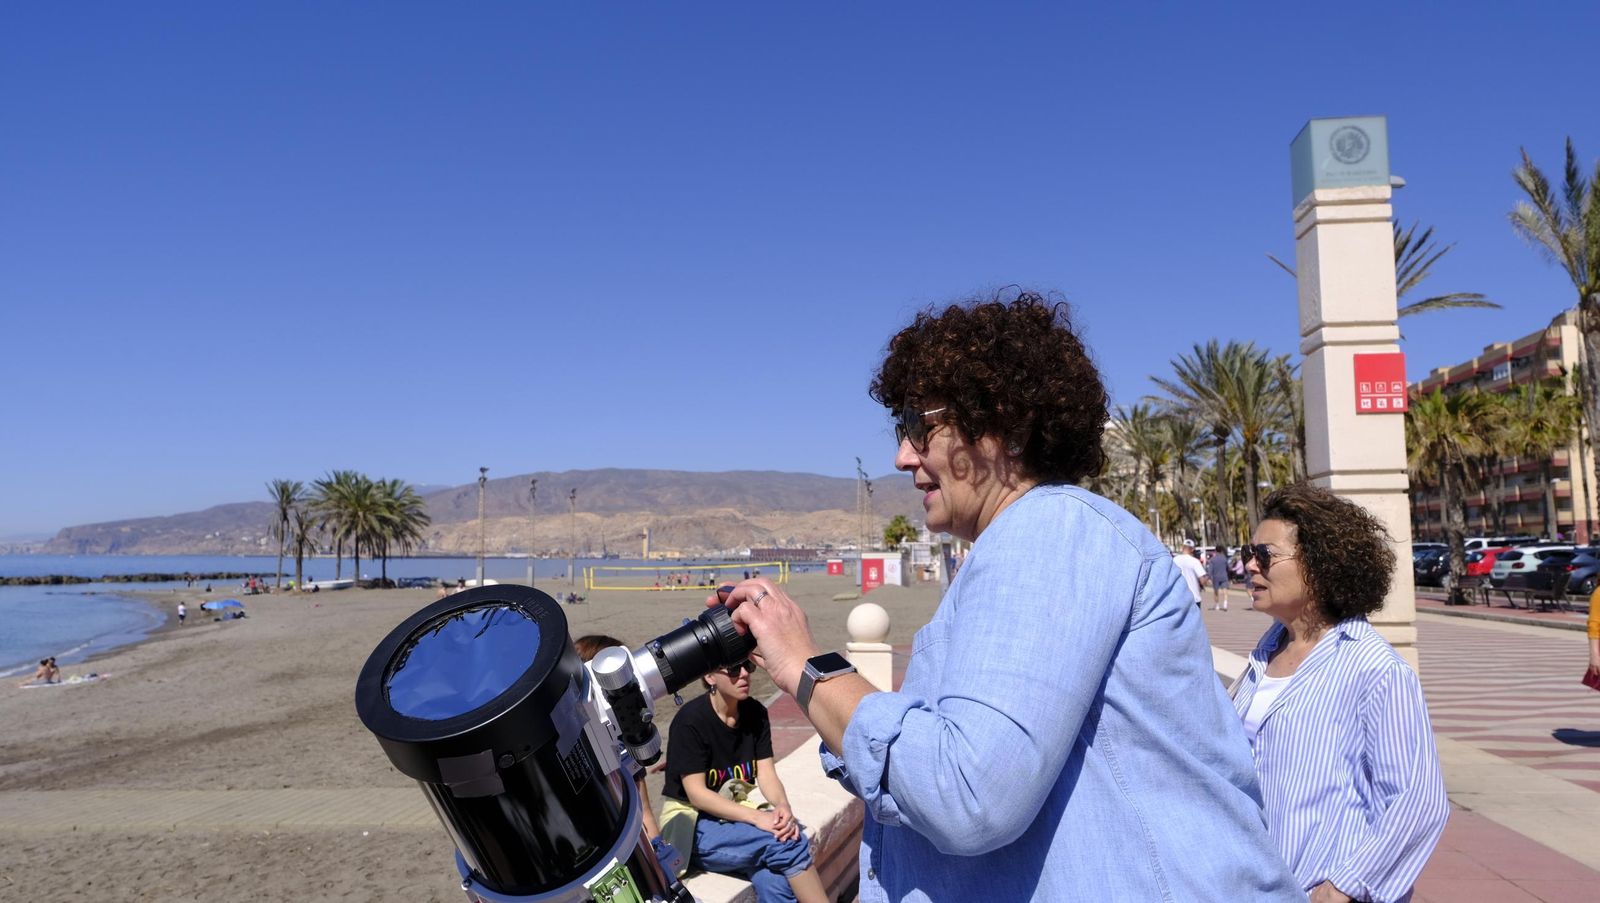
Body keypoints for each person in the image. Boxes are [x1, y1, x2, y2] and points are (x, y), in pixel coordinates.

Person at [711, 291, 1299, 900]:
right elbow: (954, 754)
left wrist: (806, 666)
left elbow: (966, 792)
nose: (902, 455)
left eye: (919, 426)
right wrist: (795, 663)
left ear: (1005, 427)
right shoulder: (1027, 544)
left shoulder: (1049, 530)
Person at [1234, 483, 1449, 901]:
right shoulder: (1265, 653)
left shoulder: (1375, 670)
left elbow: (1418, 800)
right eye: (1248, 552)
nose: (1249, 565)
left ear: (1319, 564)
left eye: (1264, 554)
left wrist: (1343, 886)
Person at [661, 657, 826, 903]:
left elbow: (766, 773)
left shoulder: (755, 713)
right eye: (733, 670)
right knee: (787, 843)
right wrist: (758, 818)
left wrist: (782, 806)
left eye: (747, 667)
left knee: (774, 878)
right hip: (691, 825)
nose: (744, 674)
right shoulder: (690, 721)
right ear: (710, 677)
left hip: (731, 817)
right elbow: (697, 795)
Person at [1174, 539, 1207, 608]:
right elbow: (1202, 581)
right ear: (1192, 549)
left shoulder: (1175, 560)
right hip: (1194, 598)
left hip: (1178, 598)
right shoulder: (1195, 561)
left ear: (1182, 547)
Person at [1207, 546, 1232, 610]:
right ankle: (1225, 604)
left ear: (1215, 551)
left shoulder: (1212, 559)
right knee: (1225, 590)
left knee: (1216, 591)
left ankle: (1217, 605)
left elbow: (1210, 570)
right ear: (1221, 551)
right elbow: (1228, 568)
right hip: (1224, 576)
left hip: (1216, 577)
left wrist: (1209, 577)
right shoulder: (1224, 558)